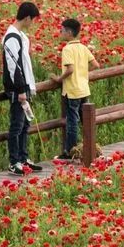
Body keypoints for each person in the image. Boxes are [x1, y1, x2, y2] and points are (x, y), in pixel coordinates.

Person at [2, 2, 43, 176]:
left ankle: (23, 158)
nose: (32, 23)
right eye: (32, 20)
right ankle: (14, 161)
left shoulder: (20, 35)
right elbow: (14, 66)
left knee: (25, 124)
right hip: (17, 88)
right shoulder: (12, 37)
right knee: (17, 125)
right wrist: (20, 90)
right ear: (27, 18)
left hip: (24, 86)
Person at [52, 18, 100, 159]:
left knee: (72, 122)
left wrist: (58, 79)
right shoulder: (83, 47)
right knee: (85, 121)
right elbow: (96, 65)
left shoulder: (67, 49)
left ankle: (70, 152)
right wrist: (83, 73)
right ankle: (90, 148)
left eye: (62, 30)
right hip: (83, 88)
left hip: (72, 90)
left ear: (68, 32)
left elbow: (70, 69)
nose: (60, 32)